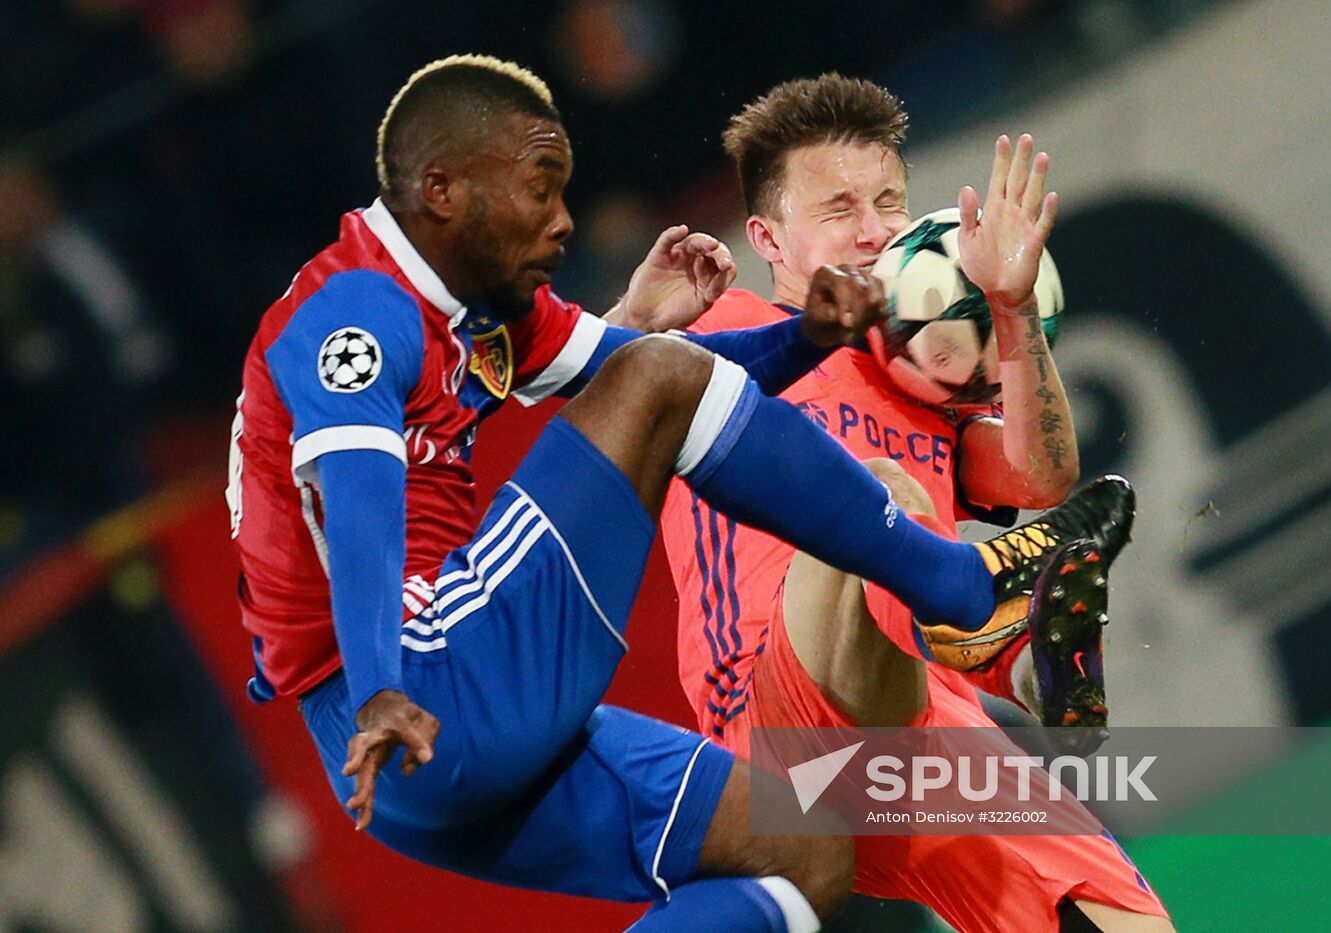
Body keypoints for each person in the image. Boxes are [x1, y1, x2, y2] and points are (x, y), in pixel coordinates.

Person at [228, 55, 1117, 931]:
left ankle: (975, 601)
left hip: (421, 757)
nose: (563, 221)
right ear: (445, 189)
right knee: (660, 376)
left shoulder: (479, 308)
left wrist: (808, 336)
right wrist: (385, 685)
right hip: (415, 678)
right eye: (539, 189)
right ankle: (968, 591)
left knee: (801, 857)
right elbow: (358, 512)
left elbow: (674, 376)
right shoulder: (356, 311)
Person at [656, 75, 1173, 931]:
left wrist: (1011, 313)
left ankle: (998, 636)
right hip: (769, 723)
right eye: (839, 207)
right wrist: (640, 324)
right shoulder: (715, 335)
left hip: (921, 735)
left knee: (1126, 919)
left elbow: (1040, 479)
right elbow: (580, 382)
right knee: (874, 493)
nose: (874, 229)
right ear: (768, 237)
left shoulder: (928, 381)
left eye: (889, 199)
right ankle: (1002, 635)